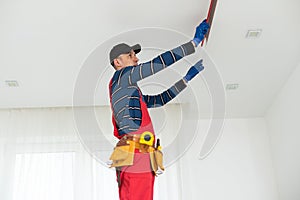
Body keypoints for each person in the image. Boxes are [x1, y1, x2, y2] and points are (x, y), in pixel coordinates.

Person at [108, 19, 210, 200]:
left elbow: (159, 100)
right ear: (118, 61)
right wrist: (192, 44)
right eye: (131, 55)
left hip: (141, 156)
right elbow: (156, 65)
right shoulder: (121, 77)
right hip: (136, 156)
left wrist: (185, 79)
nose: (136, 59)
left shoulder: (131, 92)